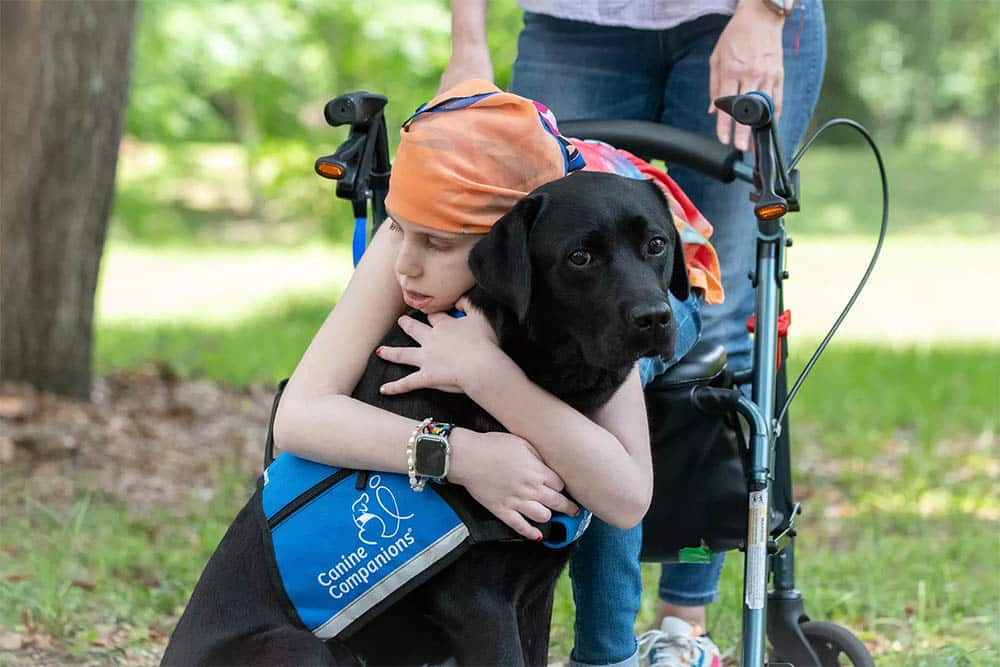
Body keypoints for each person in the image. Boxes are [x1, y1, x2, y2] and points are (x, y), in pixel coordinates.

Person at [440, 1, 827, 665]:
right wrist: (467, 37)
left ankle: (681, 625)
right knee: (557, 313)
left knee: (719, 320)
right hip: (573, 22)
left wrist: (766, 13)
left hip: (733, 15)